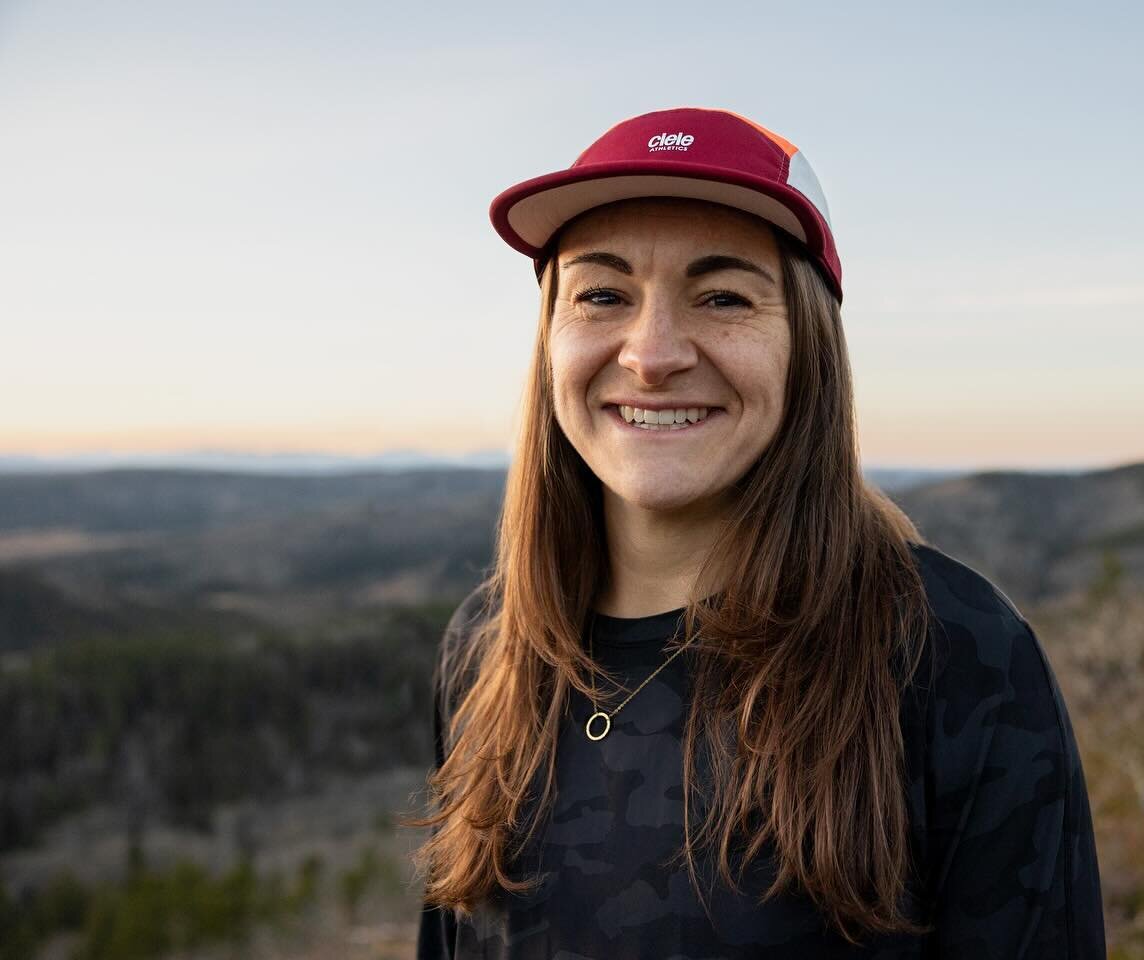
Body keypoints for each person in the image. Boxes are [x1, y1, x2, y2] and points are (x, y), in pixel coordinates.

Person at [406, 106, 1106, 958]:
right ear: (551, 338)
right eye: (602, 295)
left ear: (805, 345)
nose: (652, 353)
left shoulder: (951, 653)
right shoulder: (487, 646)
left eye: (723, 295)